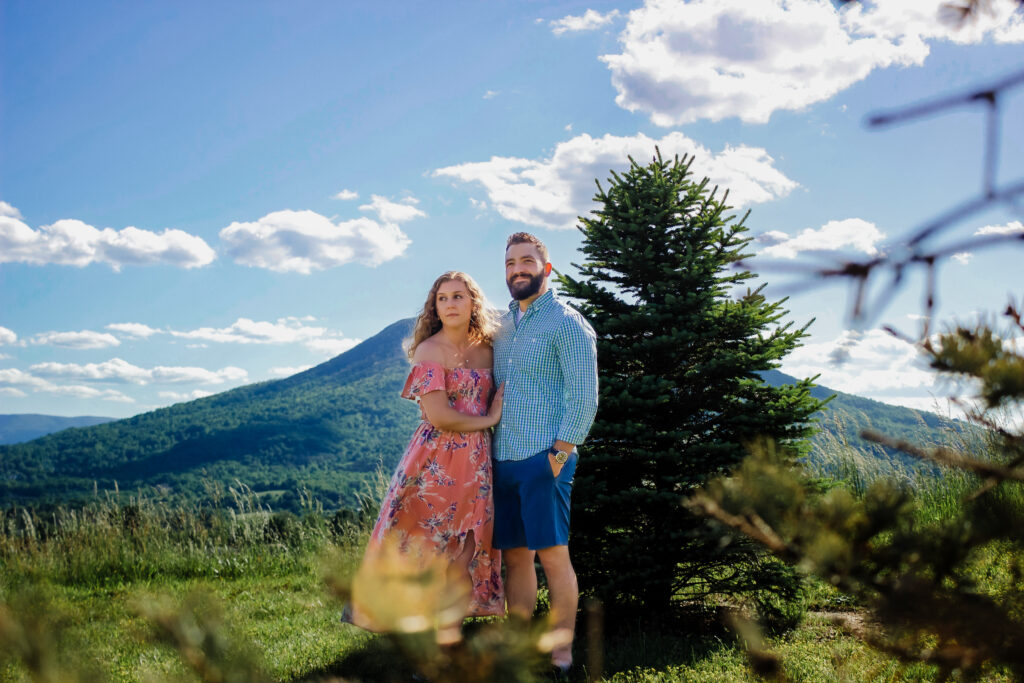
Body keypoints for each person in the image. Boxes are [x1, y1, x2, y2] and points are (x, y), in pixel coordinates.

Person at [344, 271, 505, 639]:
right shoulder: (429, 350)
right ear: (435, 307)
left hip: (475, 465)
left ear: (473, 302)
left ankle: (447, 642)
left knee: (463, 554)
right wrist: (490, 417)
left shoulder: (489, 350)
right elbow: (439, 415)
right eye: (443, 298)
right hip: (433, 462)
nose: (450, 304)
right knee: (424, 550)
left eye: (458, 296)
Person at [491, 232, 598, 672]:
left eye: (528, 261)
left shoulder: (568, 324)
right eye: (511, 262)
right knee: (515, 558)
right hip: (502, 461)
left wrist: (557, 456)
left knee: (553, 556)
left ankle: (561, 652)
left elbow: (585, 397)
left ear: (547, 268)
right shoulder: (500, 327)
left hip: (544, 460)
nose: (518, 268)